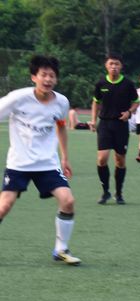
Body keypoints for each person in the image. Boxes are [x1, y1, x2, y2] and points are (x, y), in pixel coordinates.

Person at [0, 55, 81, 265]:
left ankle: (61, 249)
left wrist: (65, 157)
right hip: (19, 163)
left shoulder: (61, 102)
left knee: (68, 201)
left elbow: (61, 127)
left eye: (52, 75)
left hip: (48, 163)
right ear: (33, 77)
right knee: (4, 206)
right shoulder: (18, 98)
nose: (48, 79)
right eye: (43, 75)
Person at [89, 53, 139, 205]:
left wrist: (129, 112)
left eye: (116, 64)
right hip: (104, 124)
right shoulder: (101, 83)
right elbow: (96, 102)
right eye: (111, 64)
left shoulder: (128, 84)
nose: (114, 67)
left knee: (120, 160)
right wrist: (93, 120)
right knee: (102, 159)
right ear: (106, 66)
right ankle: (105, 192)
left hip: (121, 125)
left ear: (121, 66)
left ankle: (119, 193)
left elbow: (136, 102)